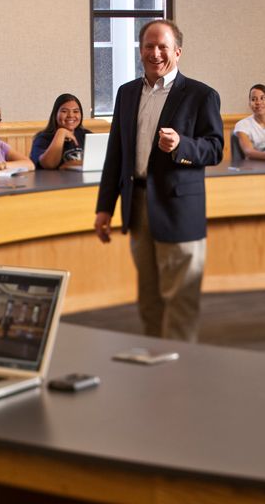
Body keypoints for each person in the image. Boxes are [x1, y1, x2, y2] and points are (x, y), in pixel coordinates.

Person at [93, 19, 224, 342]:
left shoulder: (201, 95)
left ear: (177, 52)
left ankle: (178, 372)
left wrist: (182, 145)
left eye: (163, 46)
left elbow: (216, 148)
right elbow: (116, 156)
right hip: (136, 206)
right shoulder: (126, 94)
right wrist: (104, 208)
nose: (155, 53)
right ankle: (156, 363)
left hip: (179, 209)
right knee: (149, 298)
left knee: (181, 297)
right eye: (149, 46)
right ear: (140, 50)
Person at [30, 93, 92, 170]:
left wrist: (71, 164)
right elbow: (49, 165)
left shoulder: (86, 135)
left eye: (75, 111)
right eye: (64, 111)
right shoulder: (42, 138)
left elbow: (98, 161)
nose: (71, 115)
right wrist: (61, 133)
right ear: (55, 114)